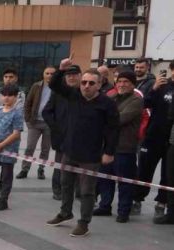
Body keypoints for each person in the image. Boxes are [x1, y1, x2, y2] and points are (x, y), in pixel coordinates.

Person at [46, 58, 119, 238]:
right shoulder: (73, 95)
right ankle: (65, 212)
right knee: (65, 184)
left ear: (99, 84)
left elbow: (113, 130)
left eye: (91, 83)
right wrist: (61, 69)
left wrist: (109, 152)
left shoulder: (107, 104)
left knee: (86, 191)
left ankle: (84, 222)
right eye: (84, 82)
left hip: (91, 155)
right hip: (69, 150)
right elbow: (54, 85)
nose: (86, 86)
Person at [92, 70, 143, 223]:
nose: (122, 84)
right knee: (105, 178)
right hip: (107, 147)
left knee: (125, 181)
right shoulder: (111, 97)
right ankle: (105, 206)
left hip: (125, 147)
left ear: (133, 84)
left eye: (126, 82)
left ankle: (123, 211)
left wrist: (103, 118)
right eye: (119, 81)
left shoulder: (136, 100)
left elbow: (120, 119)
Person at [133, 62, 174, 217]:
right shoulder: (162, 86)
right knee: (144, 168)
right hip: (153, 135)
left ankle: (161, 203)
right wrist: (154, 88)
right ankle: (137, 199)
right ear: (171, 70)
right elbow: (145, 104)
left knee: (168, 173)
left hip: (171, 139)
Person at [43, 65, 81, 200]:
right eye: (69, 75)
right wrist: (56, 127)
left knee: (78, 165)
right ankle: (57, 189)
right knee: (60, 165)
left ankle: (78, 191)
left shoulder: (84, 93)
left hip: (79, 138)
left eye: (75, 74)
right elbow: (46, 112)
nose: (72, 77)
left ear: (80, 76)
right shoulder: (58, 92)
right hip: (61, 137)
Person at [17, 66, 55, 180]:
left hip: (49, 123)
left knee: (45, 148)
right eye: (47, 73)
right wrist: (28, 119)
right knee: (30, 147)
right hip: (34, 122)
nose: (49, 76)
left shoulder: (58, 88)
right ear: (43, 74)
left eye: (52, 74)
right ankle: (25, 169)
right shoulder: (36, 86)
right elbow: (28, 102)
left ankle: (41, 169)